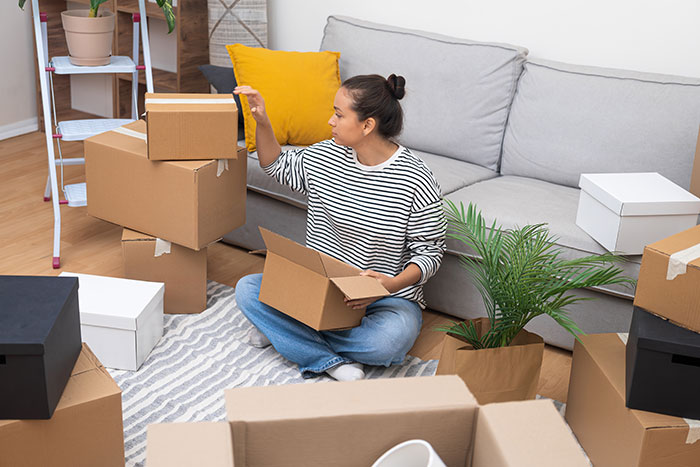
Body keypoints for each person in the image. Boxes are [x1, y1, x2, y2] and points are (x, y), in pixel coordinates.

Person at [234, 74, 446, 381]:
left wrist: (387, 286)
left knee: (388, 342)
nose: (330, 121)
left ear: (367, 125)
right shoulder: (325, 155)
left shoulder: (416, 179)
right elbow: (275, 165)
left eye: (338, 114)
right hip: (321, 288)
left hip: (385, 298)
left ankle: (289, 334)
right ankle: (328, 360)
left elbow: (430, 254)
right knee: (247, 290)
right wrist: (263, 120)